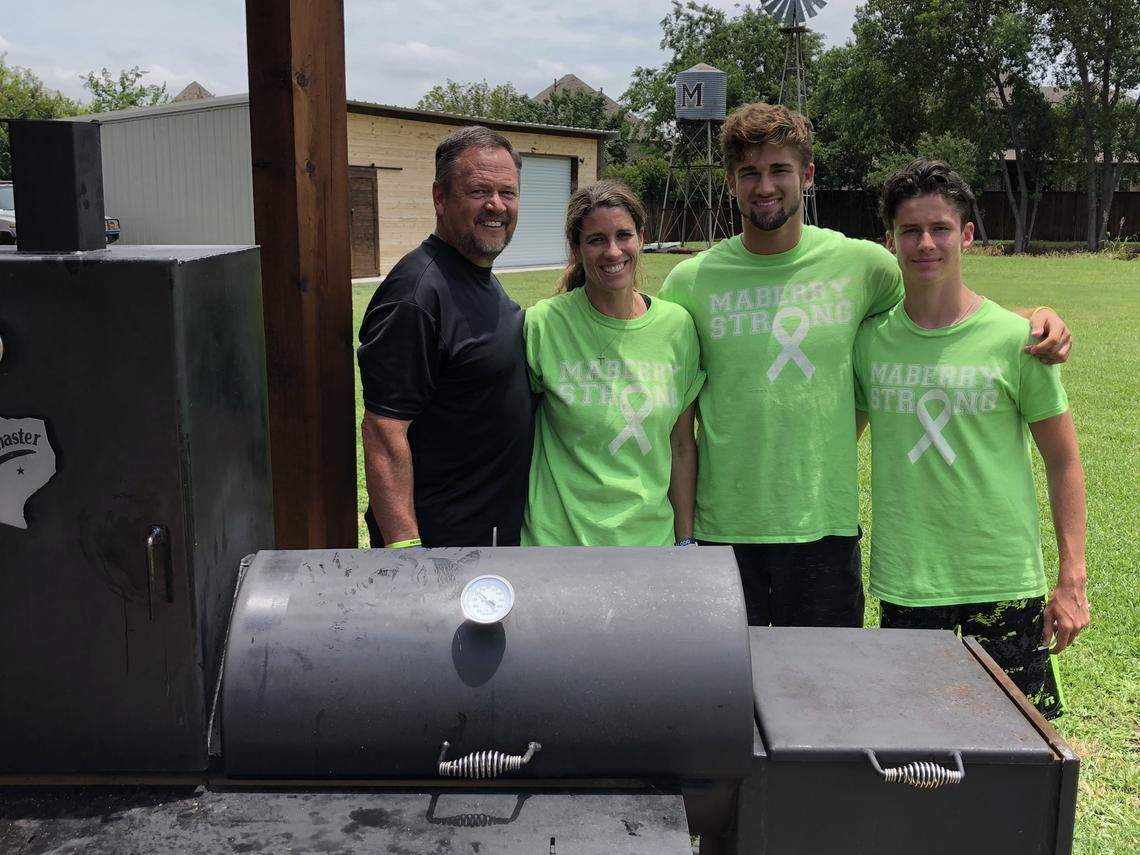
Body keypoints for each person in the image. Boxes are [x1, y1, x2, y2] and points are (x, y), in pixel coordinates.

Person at [658, 102, 1072, 627]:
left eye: (780, 169)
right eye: (750, 173)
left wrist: (1035, 315)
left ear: (806, 176)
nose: (765, 186)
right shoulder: (690, 282)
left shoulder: (863, 266)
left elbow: (943, 309)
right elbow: (674, 422)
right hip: (723, 527)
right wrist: (685, 532)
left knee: (826, 695)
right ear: (730, 181)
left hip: (824, 526)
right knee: (724, 698)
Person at [853, 159, 1088, 716]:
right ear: (890, 241)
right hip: (908, 580)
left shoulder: (1019, 339)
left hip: (1001, 576)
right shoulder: (869, 343)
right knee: (913, 750)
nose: (925, 243)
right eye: (910, 231)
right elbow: (839, 435)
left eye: (940, 229)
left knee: (1019, 750)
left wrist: (1071, 576)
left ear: (967, 235)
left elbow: (1064, 462)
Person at [357, 126, 532, 548]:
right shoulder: (416, 293)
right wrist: (405, 553)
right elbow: (383, 430)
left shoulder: (475, 276)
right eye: (478, 191)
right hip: (444, 550)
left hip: (488, 534)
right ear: (440, 198)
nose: (496, 205)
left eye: (507, 193)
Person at [522, 181, 704, 546]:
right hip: (557, 546)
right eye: (596, 240)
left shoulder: (676, 326)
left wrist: (685, 541)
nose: (613, 251)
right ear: (576, 248)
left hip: (650, 545)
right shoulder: (543, 324)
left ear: (642, 238)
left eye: (624, 235)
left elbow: (681, 445)